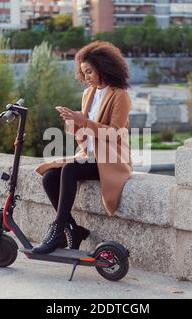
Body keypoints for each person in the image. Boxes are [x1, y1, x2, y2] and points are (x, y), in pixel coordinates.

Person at [33, 41, 133, 254]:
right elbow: (83, 134)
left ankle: (57, 229)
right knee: (49, 177)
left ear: (103, 67)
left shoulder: (120, 95)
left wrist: (84, 121)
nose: (85, 76)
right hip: (90, 154)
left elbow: (114, 133)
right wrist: (73, 120)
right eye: (83, 72)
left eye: (89, 71)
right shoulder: (89, 93)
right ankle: (73, 229)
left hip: (111, 159)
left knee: (70, 169)